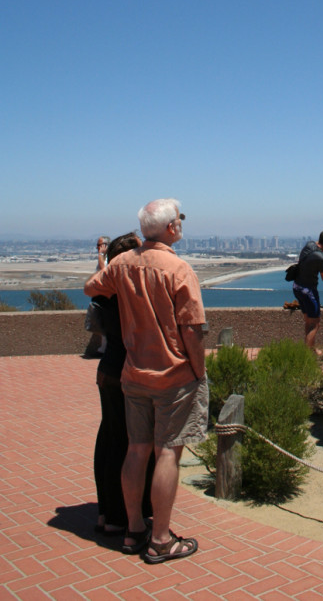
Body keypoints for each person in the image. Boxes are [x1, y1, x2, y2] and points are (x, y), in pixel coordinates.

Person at [85, 198, 208, 564]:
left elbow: (93, 287)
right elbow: (193, 331)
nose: (181, 225)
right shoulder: (179, 269)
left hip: (133, 374)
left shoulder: (123, 263)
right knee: (168, 450)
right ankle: (160, 539)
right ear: (171, 228)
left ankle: (134, 529)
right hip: (172, 376)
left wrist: (125, 293)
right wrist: (198, 372)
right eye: (179, 220)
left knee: (136, 449)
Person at [92, 232, 155, 534]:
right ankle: (123, 515)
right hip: (127, 373)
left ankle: (106, 511)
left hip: (107, 371)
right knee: (130, 445)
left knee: (108, 439)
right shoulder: (130, 293)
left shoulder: (105, 290)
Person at [292, 230, 323, 348]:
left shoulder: (309, 245)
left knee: (308, 321)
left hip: (297, 287)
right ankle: (309, 353)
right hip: (308, 291)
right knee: (315, 324)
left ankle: (310, 349)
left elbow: (318, 243)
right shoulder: (320, 258)